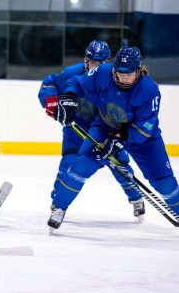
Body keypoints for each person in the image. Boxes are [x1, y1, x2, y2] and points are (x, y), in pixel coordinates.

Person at [48, 46, 179, 235]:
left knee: (163, 181)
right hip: (104, 128)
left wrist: (118, 141)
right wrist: (69, 97)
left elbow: (147, 126)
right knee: (80, 165)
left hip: (144, 140)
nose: (123, 78)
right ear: (114, 69)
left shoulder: (149, 90)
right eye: (119, 73)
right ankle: (59, 208)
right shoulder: (103, 72)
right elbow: (77, 82)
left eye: (129, 74)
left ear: (138, 70)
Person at [40, 40, 145, 223]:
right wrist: (54, 103)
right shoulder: (72, 74)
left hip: (106, 131)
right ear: (86, 60)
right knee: (69, 163)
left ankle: (136, 198)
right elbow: (49, 84)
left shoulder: (114, 80)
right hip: (76, 131)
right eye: (93, 62)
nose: (96, 66)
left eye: (101, 63)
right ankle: (57, 204)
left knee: (120, 167)